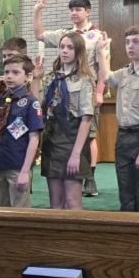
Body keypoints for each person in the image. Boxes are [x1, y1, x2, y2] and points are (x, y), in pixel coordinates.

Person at [33, 0, 104, 197]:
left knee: (89, 133)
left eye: (78, 9)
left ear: (87, 11)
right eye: (71, 9)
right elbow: (39, 34)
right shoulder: (65, 34)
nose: (74, 13)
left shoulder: (97, 35)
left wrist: (99, 92)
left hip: (85, 87)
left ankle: (89, 176)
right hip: (65, 88)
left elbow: (103, 67)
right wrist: (37, 11)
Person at [96, 28, 139, 212]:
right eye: (127, 42)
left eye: (135, 41)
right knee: (126, 194)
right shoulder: (125, 72)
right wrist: (101, 53)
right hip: (124, 136)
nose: (130, 46)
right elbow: (107, 78)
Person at [0, 54, 44, 207]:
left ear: (28, 76)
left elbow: (34, 138)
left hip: (17, 166)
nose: (9, 76)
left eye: (15, 73)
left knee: (20, 212)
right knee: (0, 209)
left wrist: (25, 171)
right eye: (6, 72)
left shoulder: (30, 103)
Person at [40, 33, 94, 210]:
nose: (64, 51)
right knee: (55, 202)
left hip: (72, 140)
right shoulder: (50, 78)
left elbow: (86, 119)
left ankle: (75, 238)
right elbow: (38, 107)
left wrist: (76, 154)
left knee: (72, 201)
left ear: (78, 51)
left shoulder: (84, 79)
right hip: (52, 140)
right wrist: (35, 78)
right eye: (62, 46)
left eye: (70, 47)